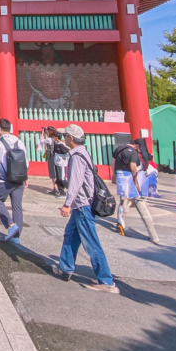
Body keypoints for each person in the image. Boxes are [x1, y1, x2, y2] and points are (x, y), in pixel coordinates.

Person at [50, 124, 118, 294]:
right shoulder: (83, 153)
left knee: (91, 242)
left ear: (71, 138)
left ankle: (106, 280)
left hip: (82, 204)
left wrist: (67, 204)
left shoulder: (77, 156)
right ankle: (66, 268)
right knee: (70, 235)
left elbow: (75, 182)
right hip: (81, 205)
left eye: (66, 135)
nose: (64, 138)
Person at [112, 139, 160, 244]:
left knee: (123, 200)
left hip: (120, 177)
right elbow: (133, 168)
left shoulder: (118, 149)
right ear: (136, 146)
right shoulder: (133, 152)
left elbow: (113, 163)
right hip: (129, 179)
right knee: (140, 202)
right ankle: (154, 236)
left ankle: (120, 222)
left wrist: (113, 176)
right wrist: (137, 184)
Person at [0, 118, 26, 243]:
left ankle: (10, 225)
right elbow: (26, 161)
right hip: (19, 178)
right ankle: (16, 238)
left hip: (5, 180)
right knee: (17, 207)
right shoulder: (19, 142)